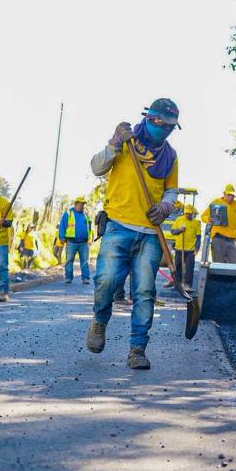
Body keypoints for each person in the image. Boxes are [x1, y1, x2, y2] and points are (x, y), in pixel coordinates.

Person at [88, 98, 181, 370]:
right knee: (105, 281)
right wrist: (115, 141)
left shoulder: (170, 156)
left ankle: (137, 349)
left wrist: (166, 206)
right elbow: (96, 168)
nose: (163, 129)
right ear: (149, 119)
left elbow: (171, 190)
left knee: (144, 292)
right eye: (159, 123)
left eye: (169, 126)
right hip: (117, 225)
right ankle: (99, 321)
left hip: (150, 233)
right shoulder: (126, 143)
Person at [201, 184, 236, 264]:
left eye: (233, 196)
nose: (231, 197)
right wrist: (209, 219)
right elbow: (203, 216)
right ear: (224, 193)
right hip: (218, 238)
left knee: (235, 265)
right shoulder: (216, 202)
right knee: (218, 265)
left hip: (231, 241)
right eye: (229, 195)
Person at [59, 196, 92, 284]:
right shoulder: (68, 213)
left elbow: (89, 228)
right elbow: (62, 226)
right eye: (81, 204)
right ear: (76, 204)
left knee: (85, 262)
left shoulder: (86, 215)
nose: (82, 206)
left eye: (83, 204)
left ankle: (85, 278)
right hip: (71, 242)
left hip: (84, 243)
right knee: (69, 260)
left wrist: (90, 238)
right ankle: (68, 277)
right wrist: (62, 237)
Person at [170, 204, 201, 290]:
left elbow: (198, 237)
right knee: (178, 266)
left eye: (189, 213)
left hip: (190, 250)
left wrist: (197, 247)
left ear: (193, 213)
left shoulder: (196, 223)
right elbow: (173, 232)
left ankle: (187, 285)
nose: (187, 215)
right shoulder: (179, 220)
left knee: (189, 268)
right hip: (179, 248)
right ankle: (177, 284)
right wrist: (180, 230)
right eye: (186, 213)